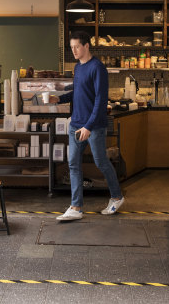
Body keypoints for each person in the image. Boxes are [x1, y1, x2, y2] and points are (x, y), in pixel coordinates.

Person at [49, 31, 124, 221]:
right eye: (71, 47)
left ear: (86, 46)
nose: (73, 50)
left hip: (94, 126)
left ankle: (117, 197)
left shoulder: (97, 68)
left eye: (76, 47)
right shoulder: (78, 67)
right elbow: (77, 92)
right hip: (76, 124)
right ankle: (76, 207)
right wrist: (58, 99)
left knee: (101, 162)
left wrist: (89, 127)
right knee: (73, 163)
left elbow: (100, 100)